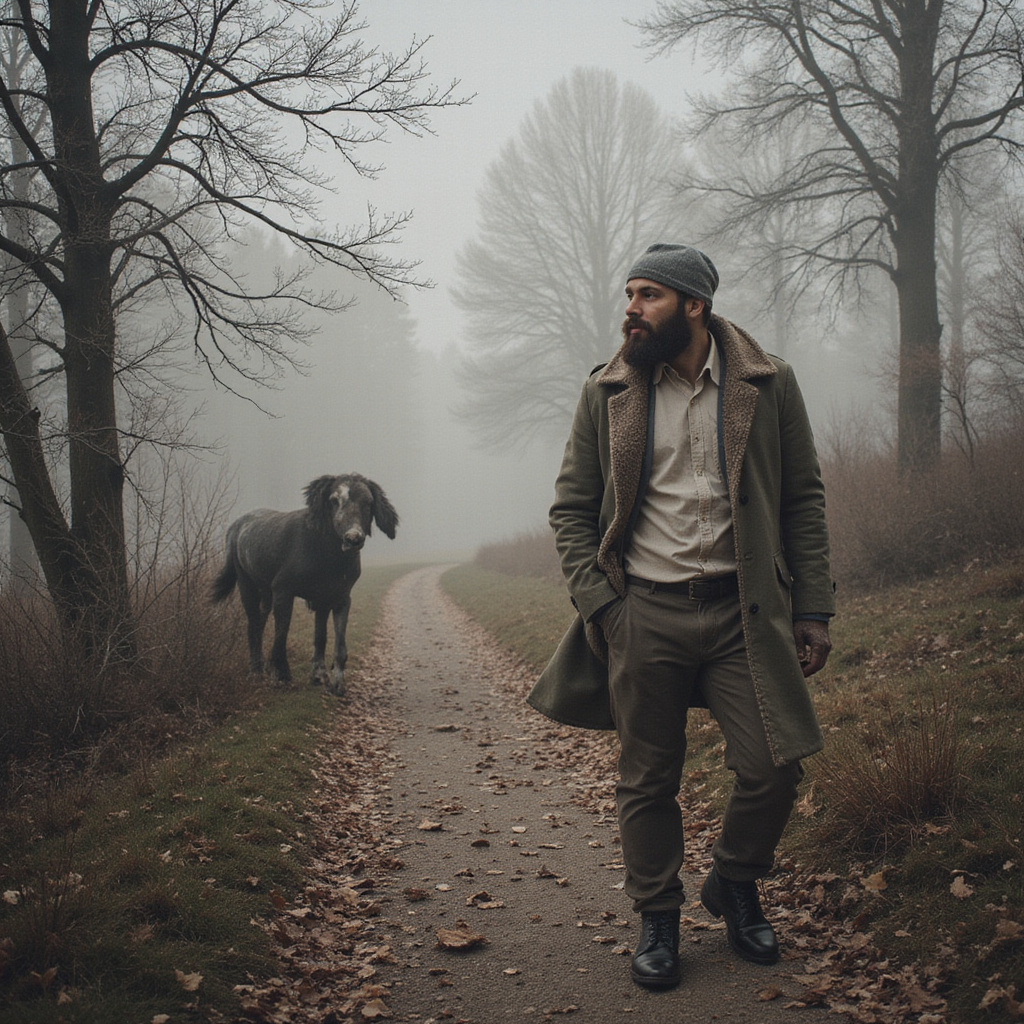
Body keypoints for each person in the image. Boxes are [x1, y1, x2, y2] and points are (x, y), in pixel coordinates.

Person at [527, 243, 835, 990]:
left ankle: (734, 881)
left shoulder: (768, 382)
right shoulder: (608, 390)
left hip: (745, 613)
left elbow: (802, 497)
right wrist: (604, 606)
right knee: (647, 779)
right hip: (645, 613)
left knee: (774, 765)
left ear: (694, 305)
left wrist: (815, 607)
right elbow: (570, 509)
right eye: (629, 294)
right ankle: (658, 917)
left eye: (648, 295)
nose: (630, 309)